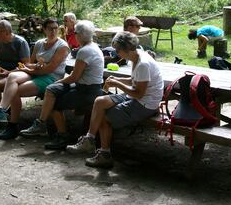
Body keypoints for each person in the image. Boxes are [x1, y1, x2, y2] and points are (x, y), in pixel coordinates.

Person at [66, 31, 164, 169]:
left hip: (145, 104)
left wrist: (118, 84)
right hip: (136, 97)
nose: (116, 53)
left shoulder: (143, 64)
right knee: (100, 101)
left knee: (104, 118)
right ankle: (89, 139)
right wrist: (117, 79)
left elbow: (139, 94)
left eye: (118, 50)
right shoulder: (136, 57)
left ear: (127, 49)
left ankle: (105, 155)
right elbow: (134, 80)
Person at [20, 20, 104, 150]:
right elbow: (75, 77)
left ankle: (62, 136)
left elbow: (73, 77)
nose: (74, 35)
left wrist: (59, 81)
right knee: (51, 89)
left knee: (55, 103)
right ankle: (41, 124)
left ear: (79, 35)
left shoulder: (85, 51)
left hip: (88, 90)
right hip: (85, 86)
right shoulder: (92, 47)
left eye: (75, 33)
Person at [0, 18, 69, 139]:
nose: (53, 31)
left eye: (55, 28)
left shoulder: (62, 46)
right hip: (35, 72)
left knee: (14, 91)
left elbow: (50, 69)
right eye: (50, 29)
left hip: (51, 77)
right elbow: (29, 63)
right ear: (44, 30)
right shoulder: (39, 43)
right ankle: (1, 112)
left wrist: (33, 69)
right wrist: (34, 67)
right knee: (12, 77)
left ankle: (12, 125)